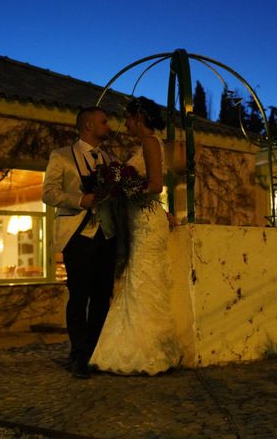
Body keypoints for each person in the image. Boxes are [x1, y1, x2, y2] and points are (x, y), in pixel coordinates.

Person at [90, 96, 182, 375]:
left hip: (145, 223)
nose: (126, 123)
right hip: (139, 220)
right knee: (137, 280)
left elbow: (155, 185)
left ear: (139, 118)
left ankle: (147, 351)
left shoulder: (151, 143)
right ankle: (135, 345)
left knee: (144, 280)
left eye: (129, 118)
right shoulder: (145, 145)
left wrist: (124, 188)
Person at [42, 106, 117, 379]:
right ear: (88, 126)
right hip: (78, 237)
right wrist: (79, 200)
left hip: (107, 235)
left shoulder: (110, 159)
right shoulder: (61, 156)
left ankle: (96, 352)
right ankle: (78, 355)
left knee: (102, 297)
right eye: (104, 121)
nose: (108, 126)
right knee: (78, 297)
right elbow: (48, 193)